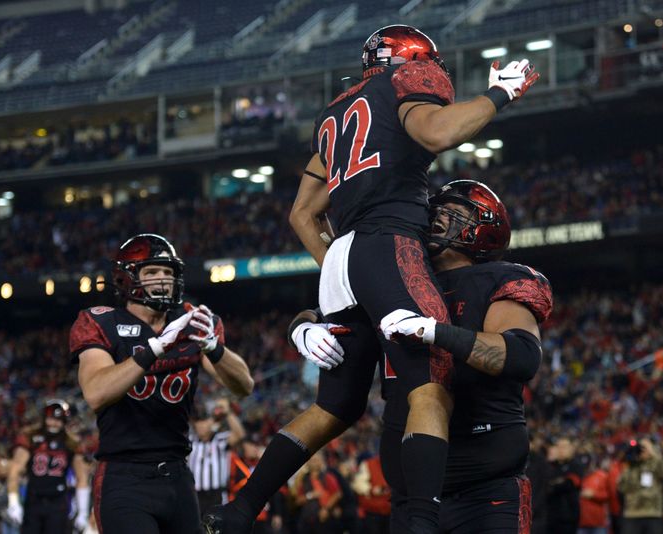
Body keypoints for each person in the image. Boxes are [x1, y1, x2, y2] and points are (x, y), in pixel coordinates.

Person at [210, 24, 539, 534]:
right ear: (414, 60)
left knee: (334, 407)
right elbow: (439, 132)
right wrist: (502, 92)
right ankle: (424, 523)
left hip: (342, 253)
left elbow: (302, 214)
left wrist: (345, 280)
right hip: (387, 239)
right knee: (430, 388)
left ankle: (238, 510)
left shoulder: (336, 110)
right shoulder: (411, 79)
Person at [376, 179, 551, 533]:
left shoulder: (500, 278)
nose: (437, 219)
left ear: (484, 231)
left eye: (453, 213)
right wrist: (304, 326)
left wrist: (436, 331)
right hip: (409, 495)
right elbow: (330, 308)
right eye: (435, 212)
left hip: (484, 491)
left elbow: (520, 355)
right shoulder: (395, 278)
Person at [69, 233, 254, 534]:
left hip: (178, 475)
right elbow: (96, 393)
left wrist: (213, 347)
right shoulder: (101, 322)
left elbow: (244, 386)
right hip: (124, 476)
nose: (163, 280)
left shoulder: (191, 322)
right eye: (152, 272)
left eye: (168, 273)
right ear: (126, 279)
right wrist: (154, 349)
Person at [6, 399, 90, 534]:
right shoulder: (30, 437)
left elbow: (82, 478)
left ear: (64, 421)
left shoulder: (71, 443)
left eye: (58, 420)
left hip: (57, 502)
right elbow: (15, 469)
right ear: (44, 418)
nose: (54, 423)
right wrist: (13, 501)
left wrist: (83, 512)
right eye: (51, 418)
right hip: (33, 500)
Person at [189, 399, 247, 516]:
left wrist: (228, 413)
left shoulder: (219, 440)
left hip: (216, 496)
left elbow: (240, 434)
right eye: (198, 421)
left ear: (211, 423)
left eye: (204, 421)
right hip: (194, 496)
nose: (200, 425)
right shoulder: (191, 441)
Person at [616, 438, 663, 534]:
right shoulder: (630, 467)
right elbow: (621, 487)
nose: (641, 451)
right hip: (632, 513)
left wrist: (654, 454)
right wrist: (630, 461)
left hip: (653, 512)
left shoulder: (655, 463)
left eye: (644, 448)